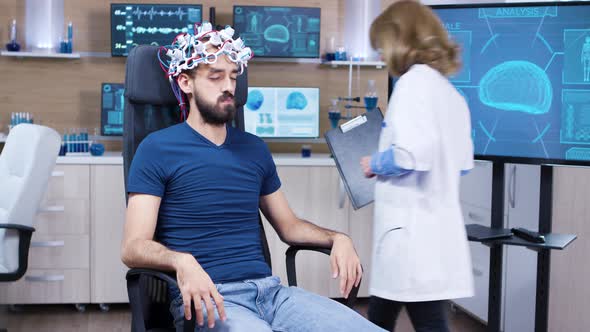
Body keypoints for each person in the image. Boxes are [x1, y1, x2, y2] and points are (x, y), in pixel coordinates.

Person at [121, 23, 384, 332]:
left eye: (233, 76)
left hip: (273, 295)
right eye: (215, 76)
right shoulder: (157, 148)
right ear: (186, 82)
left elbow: (290, 227)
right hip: (211, 300)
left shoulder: (254, 149)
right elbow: (133, 247)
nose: (228, 86)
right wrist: (182, 262)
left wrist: (339, 238)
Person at [360, 1, 475, 331]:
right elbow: (462, 164)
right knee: (382, 316)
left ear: (400, 40)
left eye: (381, 47)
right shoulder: (451, 94)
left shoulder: (411, 85)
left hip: (410, 237)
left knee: (423, 321)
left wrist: (376, 163)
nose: (381, 56)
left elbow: (411, 156)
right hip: (433, 233)